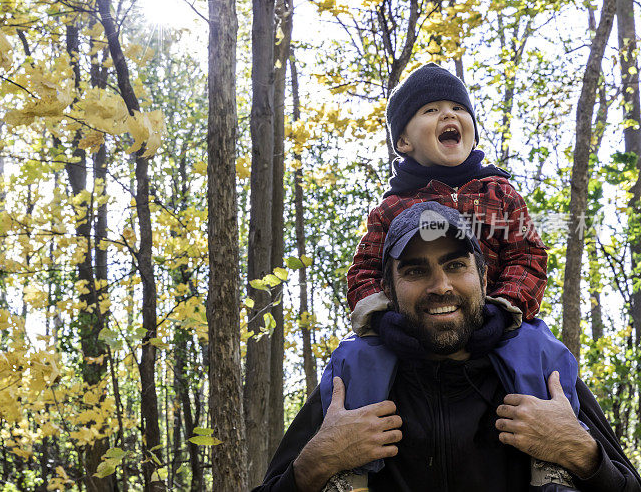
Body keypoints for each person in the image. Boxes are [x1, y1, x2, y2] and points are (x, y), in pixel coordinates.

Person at [254, 203, 641, 492]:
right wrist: (314, 465)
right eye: (416, 270)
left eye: (456, 265)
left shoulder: (542, 374)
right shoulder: (350, 387)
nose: (440, 285)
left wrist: (585, 457)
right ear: (388, 289)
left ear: (484, 277)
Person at [346, 62, 546, 336]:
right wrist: (382, 319)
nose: (448, 115)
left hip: (499, 326)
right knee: (355, 359)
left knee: (543, 354)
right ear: (404, 141)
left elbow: (527, 255)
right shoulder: (390, 209)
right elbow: (364, 272)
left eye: (459, 108)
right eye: (431, 110)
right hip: (419, 327)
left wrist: (503, 309)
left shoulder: (500, 194)